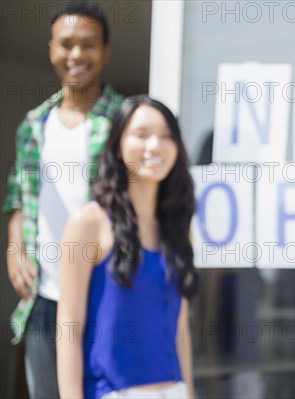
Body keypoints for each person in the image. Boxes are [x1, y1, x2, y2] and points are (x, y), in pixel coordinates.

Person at [3, 1, 123, 397]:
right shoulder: (33, 126)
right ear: (52, 49)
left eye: (88, 44)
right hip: (44, 297)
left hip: (104, 295)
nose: (76, 55)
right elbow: (18, 196)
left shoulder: (124, 122)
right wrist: (15, 247)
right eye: (66, 44)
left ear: (105, 51)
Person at [56, 95, 198, 398]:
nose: (154, 146)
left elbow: (180, 330)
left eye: (166, 136)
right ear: (118, 146)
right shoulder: (88, 223)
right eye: (141, 134)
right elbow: (69, 327)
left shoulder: (180, 231)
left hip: (174, 390)